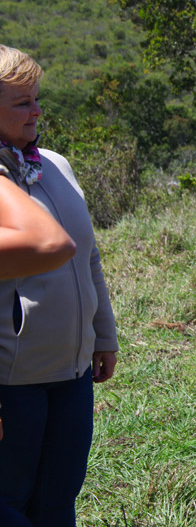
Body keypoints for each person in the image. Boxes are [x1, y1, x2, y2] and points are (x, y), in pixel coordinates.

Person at [0, 44, 118, 527]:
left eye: (36, 98)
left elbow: (87, 255)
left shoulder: (55, 165)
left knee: (60, 497)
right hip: (14, 380)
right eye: (21, 102)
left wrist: (103, 335)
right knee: (12, 499)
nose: (37, 111)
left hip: (72, 375)